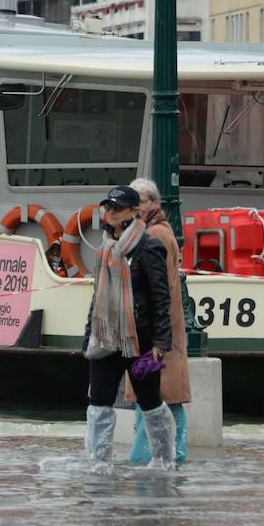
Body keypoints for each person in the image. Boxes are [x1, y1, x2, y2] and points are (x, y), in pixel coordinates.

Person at [82, 185, 178, 469]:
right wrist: (88, 336)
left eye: (117, 208)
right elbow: (97, 296)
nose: (110, 212)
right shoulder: (105, 248)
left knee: (149, 403)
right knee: (98, 402)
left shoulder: (149, 246)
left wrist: (162, 343)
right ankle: (98, 463)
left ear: (133, 212)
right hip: (106, 339)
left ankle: (163, 461)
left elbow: (162, 298)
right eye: (107, 207)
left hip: (142, 341)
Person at [126, 178, 191, 464]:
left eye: (140, 201)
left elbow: (158, 290)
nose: (135, 208)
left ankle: (149, 459)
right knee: (158, 396)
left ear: (155, 203)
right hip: (159, 333)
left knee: (155, 397)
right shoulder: (156, 232)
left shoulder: (155, 236)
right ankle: (168, 456)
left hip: (156, 336)